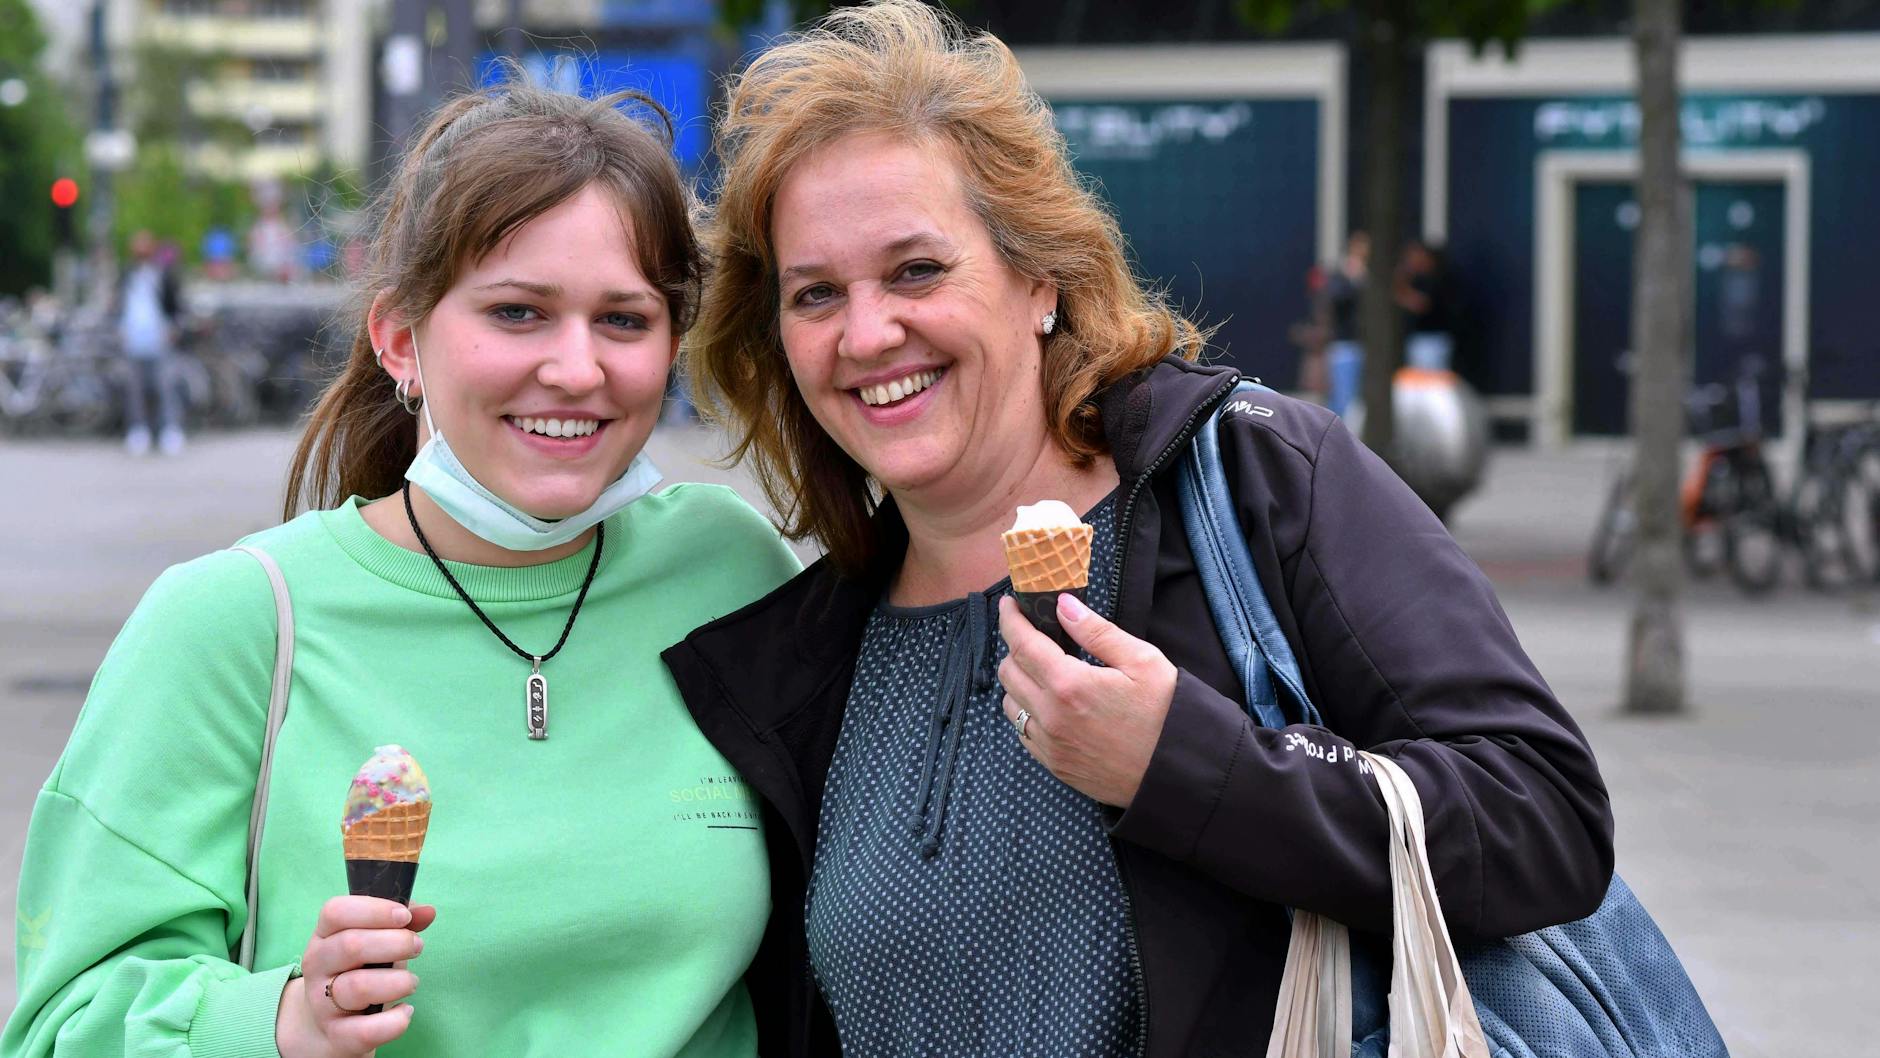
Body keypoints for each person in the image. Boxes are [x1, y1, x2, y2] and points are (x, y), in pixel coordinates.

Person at [666, 3, 1614, 1056]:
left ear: (1037, 278)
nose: (867, 331)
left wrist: (1189, 764)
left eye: (916, 271)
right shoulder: (805, 654)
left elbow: (1544, 819)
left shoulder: (1258, 481)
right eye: (814, 293)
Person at [3, 78, 799, 1058]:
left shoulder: (729, 568)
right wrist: (283, 1017)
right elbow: (60, 1024)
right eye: (516, 312)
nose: (576, 366)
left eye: (624, 319)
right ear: (398, 339)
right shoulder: (233, 622)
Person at [117, 229, 187, 456]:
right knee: (134, 389)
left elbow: (176, 305)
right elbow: (118, 305)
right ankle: (138, 430)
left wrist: (174, 329)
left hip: (159, 338)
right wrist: (120, 329)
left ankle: (169, 429)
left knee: (165, 386)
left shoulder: (163, 275)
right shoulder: (127, 275)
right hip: (133, 338)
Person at [1322, 229, 1368, 418]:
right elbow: (1335, 301)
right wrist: (1353, 280)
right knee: (1342, 398)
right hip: (1343, 343)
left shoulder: (1367, 274)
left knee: (1352, 398)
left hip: (1359, 343)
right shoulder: (1342, 275)